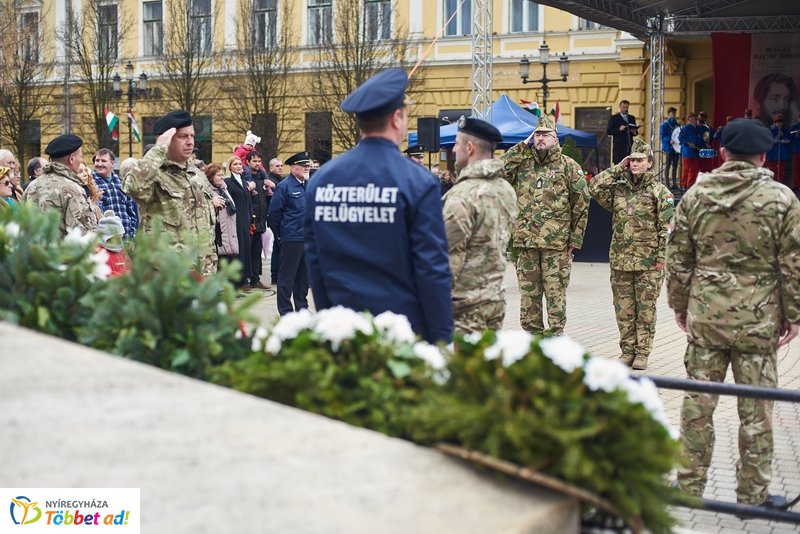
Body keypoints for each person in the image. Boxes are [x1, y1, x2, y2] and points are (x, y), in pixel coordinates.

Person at [667, 118, 800, 510]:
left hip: (706, 316)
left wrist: (680, 306)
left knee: (697, 406)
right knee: (757, 411)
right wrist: (794, 314)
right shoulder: (782, 199)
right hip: (759, 320)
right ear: (763, 157)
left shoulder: (695, 195)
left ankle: (687, 488)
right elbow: (793, 264)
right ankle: (752, 495)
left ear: (722, 153)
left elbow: (678, 260)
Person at [304, 68, 453, 343]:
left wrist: (329, 320)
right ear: (397, 118)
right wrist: (442, 338)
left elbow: (315, 264)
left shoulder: (321, 180)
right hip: (403, 333)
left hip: (343, 328)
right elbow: (431, 269)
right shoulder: (417, 181)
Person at [588, 137, 673, 370]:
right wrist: (618, 167)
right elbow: (593, 186)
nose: (635, 164)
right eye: (632, 160)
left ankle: (642, 352)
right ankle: (627, 350)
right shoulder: (618, 190)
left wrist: (660, 260)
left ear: (650, 164)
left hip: (648, 263)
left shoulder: (660, 192)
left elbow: (664, 230)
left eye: (639, 160)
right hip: (620, 260)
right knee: (623, 309)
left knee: (645, 311)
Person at [501, 114, 589, 336]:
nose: (540, 138)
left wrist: (575, 239)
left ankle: (556, 336)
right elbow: (500, 172)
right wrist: (522, 146)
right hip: (526, 241)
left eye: (545, 134)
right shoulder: (523, 163)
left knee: (555, 292)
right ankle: (532, 338)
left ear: (555, 138)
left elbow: (581, 204)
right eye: (537, 134)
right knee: (529, 294)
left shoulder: (569, 166)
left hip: (556, 244)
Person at [122, 110, 225, 276]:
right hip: (166, 278)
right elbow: (134, 187)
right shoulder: (154, 174)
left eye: (192, 136)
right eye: (183, 136)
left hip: (202, 275)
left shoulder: (196, 174)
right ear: (167, 139)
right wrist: (158, 149)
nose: (190, 142)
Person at [443, 117, 517, 334]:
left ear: (469, 147)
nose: (454, 149)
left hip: (464, 306)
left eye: (457, 143)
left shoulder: (461, 195)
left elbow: (447, 255)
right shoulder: (505, 189)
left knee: (463, 367)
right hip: (494, 300)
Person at [23, 134, 98, 235]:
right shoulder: (73, 189)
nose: (80, 160)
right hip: (61, 250)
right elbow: (82, 236)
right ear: (71, 158)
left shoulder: (32, 186)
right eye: (80, 157)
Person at [268, 151, 311, 315]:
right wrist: (281, 235)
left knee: (303, 279)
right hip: (291, 239)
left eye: (308, 165)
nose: (307, 168)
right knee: (287, 278)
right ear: (293, 168)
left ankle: (302, 309)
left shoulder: (307, 185)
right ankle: (286, 311)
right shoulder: (285, 186)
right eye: (303, 166)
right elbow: (273, 215)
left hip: (306, 238)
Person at [242, 151, 275, 290]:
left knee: (257, 251)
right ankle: (244, 281)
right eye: (254, 161)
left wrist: (271, 187)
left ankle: (255, 279)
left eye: (259, 161)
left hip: (260, 220)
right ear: (248, 162)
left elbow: (266, 199)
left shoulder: (263, 178)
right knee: (246, 251)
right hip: (249, 221)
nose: (257, 163)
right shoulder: (244, 179)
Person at [92, 148, 139, 239]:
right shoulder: (91, 183)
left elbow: (131, 212)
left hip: (125, 238)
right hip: (105, 240)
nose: (99, 164)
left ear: (112, 164)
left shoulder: (121, 183)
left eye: (103, 161)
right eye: (97, 160)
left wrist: (132, 236)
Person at [224, 155, 254, 288]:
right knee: (237, 249)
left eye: (240, 164)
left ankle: (244, 277)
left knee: (245, 248)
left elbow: (249, 202)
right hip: (234, 220)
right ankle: (235, 280)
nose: (238, 166)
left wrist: (251, 217)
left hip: (245, 220)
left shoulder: (244, 181)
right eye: (235, 164)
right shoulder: (227, 182)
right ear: (230, 167)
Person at [205, 164, 239, 269]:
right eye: (218, 175)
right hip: (216, 238)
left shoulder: (224, 189)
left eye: (222, 175)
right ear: (211, 177)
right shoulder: (207, 192)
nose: (222, 177)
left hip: (229, 236)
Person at [96, 210, 131, 277]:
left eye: (121, 238)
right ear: (106, 237)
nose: (120, 241)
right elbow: (103, 274)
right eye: (117, 239)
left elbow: (129, 266)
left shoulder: (121, 249)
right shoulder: (99, 253)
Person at [266, 158, 284, 284]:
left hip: (279, 216)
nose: (280, 168)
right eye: (277, 166)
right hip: (275, 217)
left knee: (279, 247)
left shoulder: (279, 180)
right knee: (278, 246)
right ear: (271, 167)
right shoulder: (270, 180)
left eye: (281, 165)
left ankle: (277, 275)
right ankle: (275, 275)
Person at [606, 100, 639, 164]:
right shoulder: (614, 118)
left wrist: (634, 131)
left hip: (629, 144)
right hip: (619, 146)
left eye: (626, 107)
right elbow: (609, 131)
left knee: (630, 164)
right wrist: (619, 129)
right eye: (623, 107)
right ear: (620, 107)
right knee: (620, 165)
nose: (625, 109)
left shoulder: (631, 118)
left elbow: (635, 131)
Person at [678, 113, 702, 191]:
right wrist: (688, 143)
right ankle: (683, 185)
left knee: (694, 170)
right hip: (688, 152)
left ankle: (690, 185)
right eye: (695, 119)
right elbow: (680, 138)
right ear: (690, 120)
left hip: (695, 152)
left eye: (696, 119)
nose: (696, 120)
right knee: (686, 169)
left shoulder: (697, 128)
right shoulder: (686, 128)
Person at [766, 115, 791, 183]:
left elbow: (788, 140)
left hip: (782, 155)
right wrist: (777, 136)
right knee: (773, 172)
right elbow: (770, 141)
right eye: (777, 122)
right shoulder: (770, 131)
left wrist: (782, 136)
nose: (779, 123)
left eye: (781, 122)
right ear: (775, 123)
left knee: (781, 172)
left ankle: (780, 185)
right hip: (773, 156)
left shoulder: (786, 131)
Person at [660, 107, 680, 189]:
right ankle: (667, 183)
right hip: (668, 147)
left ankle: (674, 183)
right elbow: (662, 135)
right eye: (672, 113)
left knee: (675, 165)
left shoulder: (677, 124)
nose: (673, 115)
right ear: (668, 114)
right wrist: (669, 140)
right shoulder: (664, 124)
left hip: (676, 147)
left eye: (674, 113)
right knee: (668, 165)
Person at [790, 113, 800, 190]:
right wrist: (796, 134)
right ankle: (796, 185)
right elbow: (790, 137)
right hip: (796, 151)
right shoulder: (794, 127)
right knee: (796, 169)